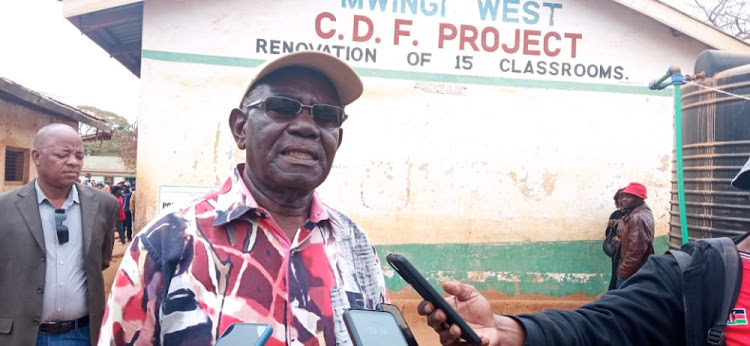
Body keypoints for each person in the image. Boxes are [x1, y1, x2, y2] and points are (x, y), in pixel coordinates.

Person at [99, 51, 390, 345]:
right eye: (282, 107)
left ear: (337, 140)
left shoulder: (355, 243)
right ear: (240, 128)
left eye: (327, 115)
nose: (306, 126)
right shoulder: (167, 241)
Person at [418, 156, 750, 345]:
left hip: (628, 269)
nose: (621, 201)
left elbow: (636, 249)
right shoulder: (699, 276)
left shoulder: (641, 217)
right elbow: (598, 328)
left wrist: (622, 273)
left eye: (625, 198)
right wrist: (505, 330)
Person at [0, 123, 118, 346]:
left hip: (82, 335)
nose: (74, 162)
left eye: (79, 156)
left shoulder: (105, 205)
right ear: (37, 156)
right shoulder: (4, 208)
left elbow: (100, 261)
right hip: (20, 336)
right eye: (63, 154)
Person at [613, 182, 654, 289]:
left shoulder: (637, 218)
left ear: (639, 199)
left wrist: (623, 273)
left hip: (631, 273)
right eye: (623, 196)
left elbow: (635, 252)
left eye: (629, 196)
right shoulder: (643, 212)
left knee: (622, 303)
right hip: (637, 270)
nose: (624, 199)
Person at [603, 188, 625, 291]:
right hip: (617, 253)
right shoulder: (615, 214)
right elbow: (608, 234)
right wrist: (610, 226)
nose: (622, 200)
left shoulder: (634, 214)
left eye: (624, 197)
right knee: (615, 277)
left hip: (629, 254)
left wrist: (621, 238)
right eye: (619, 197)